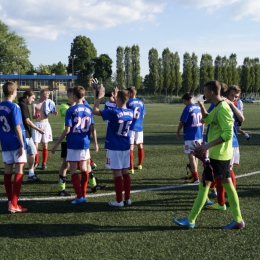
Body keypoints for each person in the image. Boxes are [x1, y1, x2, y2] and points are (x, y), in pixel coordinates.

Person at [172, 80, 245, 229]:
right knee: (227, 187)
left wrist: (207, 146)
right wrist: (201, 105)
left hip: (218, 156)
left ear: (211, 92)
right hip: (219, 155)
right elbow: (208, 119)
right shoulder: (218, 106)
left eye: (205, 91)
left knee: (204, 186)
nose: (203, 93)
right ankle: (238, 219)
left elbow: (228, 134)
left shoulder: (223, 108)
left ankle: (191, 220)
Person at [93, 85, 133, 207]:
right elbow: (120, 108)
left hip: (115, 145)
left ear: (118, 99)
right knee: (125, 173)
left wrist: (99, 97)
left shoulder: (114, 112)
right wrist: (117, 97)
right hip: (126, 145)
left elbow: (94, 110)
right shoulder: (130, 112)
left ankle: (119, 200)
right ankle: (127, 199)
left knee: (117, 174)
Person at [51, 86, 92, 204]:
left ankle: (79, 196)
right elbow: (92, 128)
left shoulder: (71, 110)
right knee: (84, 169)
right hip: (85, 142)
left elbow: (67, 130)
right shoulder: (88, 109)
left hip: (73, 142)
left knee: (73, 169)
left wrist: (56, 144)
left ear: (74, 96)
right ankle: (83, 195)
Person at [206, 85, 244, 210]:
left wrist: (232, 104)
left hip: (226, 143)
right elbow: (207, 119)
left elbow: (241, 119)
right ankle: (225, 198)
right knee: (226, 173)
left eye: (236, 97)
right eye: (232, 95)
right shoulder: (219, 104)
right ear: (227, 94)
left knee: (220, 174)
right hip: (223, 142)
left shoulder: (233, 105)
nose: (233, 98)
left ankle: (220, 201)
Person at [0, 81, 27, 213]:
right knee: (19, 170)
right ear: (12, 92)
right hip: (16, 142)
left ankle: (10, 201)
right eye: (16, 91)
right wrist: (22, 144)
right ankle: (14, 204)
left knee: (7, 170)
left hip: (5, 142)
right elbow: (17, 126)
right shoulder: (14, 107)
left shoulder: (0, 106)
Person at [176, 92, 203, 184]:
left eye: (184, 101)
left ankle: (196, 178)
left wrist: (178, 131)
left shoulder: (188, 108)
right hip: (198, 135)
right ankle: (194, 174)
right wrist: (202, 134)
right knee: (196, 155)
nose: (184, 103)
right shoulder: (199, 107)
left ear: (188, 100)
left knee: (191, 156)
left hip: (190, 135)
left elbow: (182, 122)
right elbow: (203, 122)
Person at [18, 90, 45, 182]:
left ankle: (30, 174)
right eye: (32, 98)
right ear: (27, 96)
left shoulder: (22, 104)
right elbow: (27, 121)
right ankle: (24, 175)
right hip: (24, 133)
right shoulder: (22, 105)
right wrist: (39, 129)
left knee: (32, 152)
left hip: (26, 133)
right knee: (25, 155)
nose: (33, 100)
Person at [31, 89, 58, 170]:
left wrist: (54, 113)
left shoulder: (49, 102)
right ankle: (36, 161)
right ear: (41, 95)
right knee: (35, 145)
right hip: (37, 125)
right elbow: (33, 116)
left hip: (46, 125)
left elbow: (52, 112)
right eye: (46, 95)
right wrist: (37, 115)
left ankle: (44, 163)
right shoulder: (34, 103)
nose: (47, 96)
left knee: (45, 145)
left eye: (48, 95)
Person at [126, 86, 146, 174]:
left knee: (131, 147)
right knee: (140, 145)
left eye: (128, 93)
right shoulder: (141, 102)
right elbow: (143, 114)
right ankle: (140, 164)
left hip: (130, 127)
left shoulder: (128, 102)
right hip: (139, 127)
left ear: (131, 94)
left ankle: (131, 168)